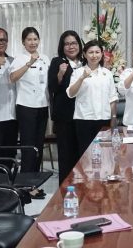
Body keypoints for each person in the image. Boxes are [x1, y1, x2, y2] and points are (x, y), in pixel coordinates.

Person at [67, 40, 118, 157]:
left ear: (102, 54)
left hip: (104, 119)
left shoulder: (107, 73)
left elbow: (112, 98)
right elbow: (70, 93)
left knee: (105, 154)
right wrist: (82, 78)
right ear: (85, 54)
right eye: (91, 52)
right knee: (86, 156)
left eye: (97, 52)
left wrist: (113, 119)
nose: (94, 55)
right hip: (84, 120)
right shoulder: (78, 72)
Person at [10, 26, 50, 173]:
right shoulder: (19, 58)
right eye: (29, 39)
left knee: (38, 144)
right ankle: (26, 179)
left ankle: (35, 178)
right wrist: (29, 64)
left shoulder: (45, 58)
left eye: (35, 39)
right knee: (28, 145)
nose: (33, 42)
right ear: (23, 42)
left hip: (42, 105)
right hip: (26, 106)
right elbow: (12, 78)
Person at [48, 30, 83, 183]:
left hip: (82, 116)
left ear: (79, 45)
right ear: (62, 47)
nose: (71, 46)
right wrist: (60, 74)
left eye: (74, 43)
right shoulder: (57, 62)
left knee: (81, 156)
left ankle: (82, 189)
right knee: (66, 157)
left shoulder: (85, 62)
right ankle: (65, 191)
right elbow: (52, 88)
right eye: (67, 44)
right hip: (65, 117)